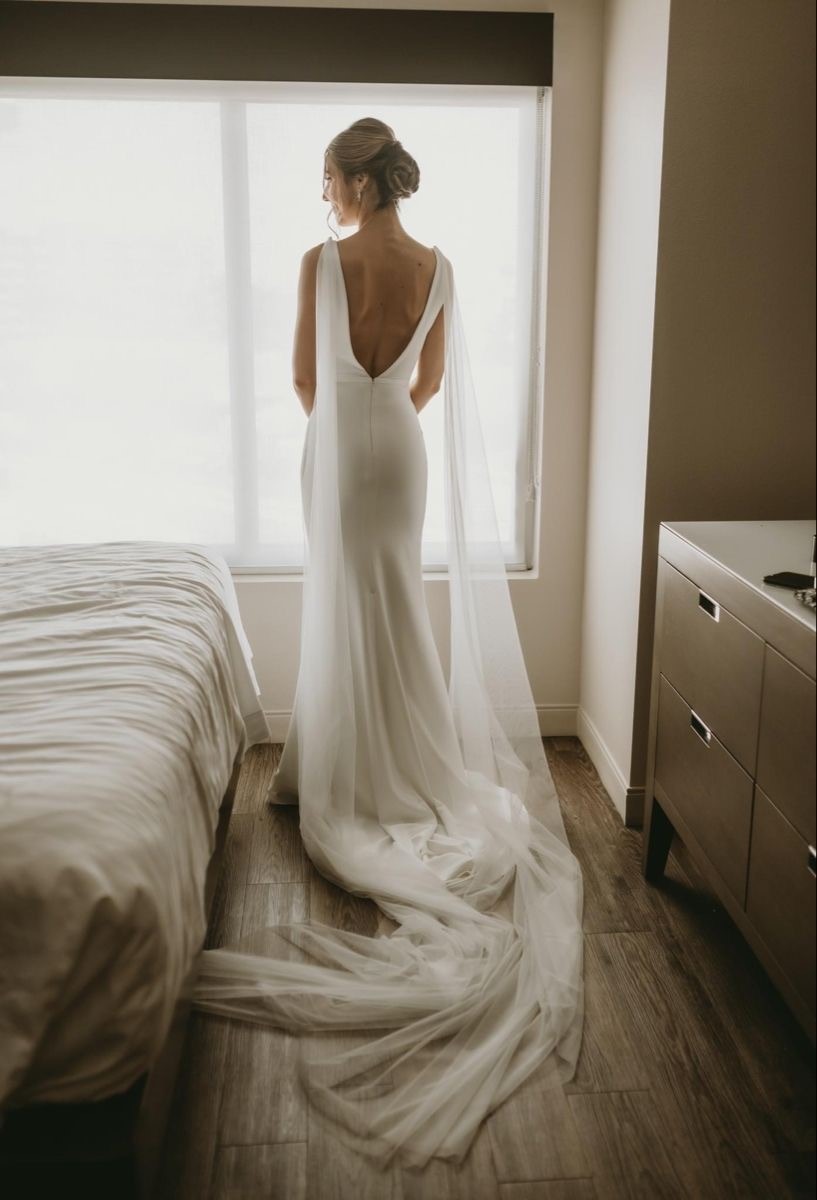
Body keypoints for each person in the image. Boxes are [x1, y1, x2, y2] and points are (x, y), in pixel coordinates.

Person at [193, 117, 584, 1170]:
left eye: (330, 179)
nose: (325, 197)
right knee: (395, 602)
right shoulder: (442, 266)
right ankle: (398, 770)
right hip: (399, 453)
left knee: (342, 604)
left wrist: (344, 421)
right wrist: (383, 410)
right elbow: (429, 385)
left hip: (338, 449)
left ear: (363, 178)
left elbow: (302, 382)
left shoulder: (320, 263)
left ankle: (333, 771)